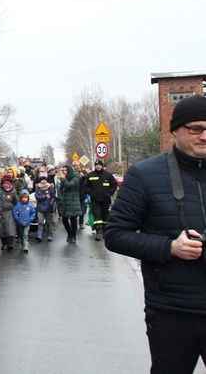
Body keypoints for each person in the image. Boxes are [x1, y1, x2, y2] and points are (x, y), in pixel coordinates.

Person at [105, 95, 206, 373]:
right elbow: (114, 234)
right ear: (175, 130)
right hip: (172, 311)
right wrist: (170, 247)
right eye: (196, 128)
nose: (204, 136)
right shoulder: (144, 175)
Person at [84, 159, 119, 241]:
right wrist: (91, 193)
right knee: (97, 216)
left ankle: (105, 232)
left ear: (102, 166)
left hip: (106, 200)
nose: (98, 166)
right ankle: (99, 232)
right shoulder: (91, 175)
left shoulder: (108, 175)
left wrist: (109, 193)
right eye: (96, 165)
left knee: (105, 216)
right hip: (95, 200)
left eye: (99, 165)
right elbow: (86, 187)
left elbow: (114, 185)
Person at [57, 164, 82, 243]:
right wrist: (61, 197)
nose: (64, 172)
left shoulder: (75, 178)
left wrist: (64, 179)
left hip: (73, 201)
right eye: (63, 170)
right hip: (65, 201)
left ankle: (73, 236)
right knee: (64, 219)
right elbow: (60, 189)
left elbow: (68, 185)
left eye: (65, 170)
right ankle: (69, 233)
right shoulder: (64, 179)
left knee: (73, 219)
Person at [0, 173, 18, 251]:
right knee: (2, 229)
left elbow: (16, 201)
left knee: (10, 228)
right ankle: (4, 244)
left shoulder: (13, 191)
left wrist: (16, 210)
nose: (6, 185)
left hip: (10, 212)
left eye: (8, 183)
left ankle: (10, 243)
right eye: (5, 183)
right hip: (1, 212)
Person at [34, 175, 56, 242]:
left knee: (48, 222)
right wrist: (45, 196)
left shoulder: (50, 188)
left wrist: (51, 204)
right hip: (40, 208)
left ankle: (49, 235)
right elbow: (37, 197)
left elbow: (53, 197)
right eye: (42, 180)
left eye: (45, 180)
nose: (43, 181)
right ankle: (39, 235)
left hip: (48, 208)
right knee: (40, 221)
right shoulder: (38, 188)